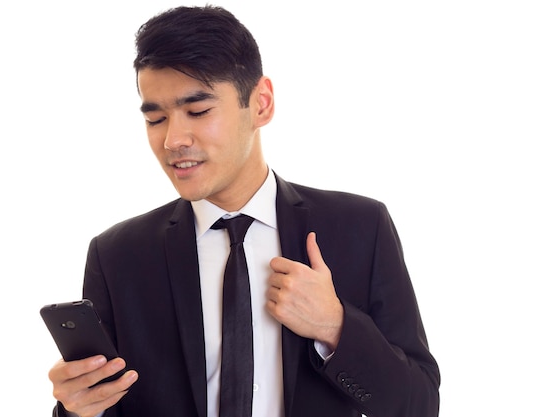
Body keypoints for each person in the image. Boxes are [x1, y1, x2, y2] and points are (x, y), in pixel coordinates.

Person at [47, 5, 440, 417]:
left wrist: (335, 327)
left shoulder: (360, 228)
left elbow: (419, 404)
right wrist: (75, 409)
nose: (173, 140)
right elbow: (101, 403)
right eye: (156, 119)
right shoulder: (118, 255)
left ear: (261, 104)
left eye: (198, 111)